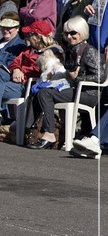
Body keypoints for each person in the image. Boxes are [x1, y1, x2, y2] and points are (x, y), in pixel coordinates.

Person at [25, 16, 105, 149]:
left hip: (88, 94)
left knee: (45, 93)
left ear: (82, 32)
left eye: (73, 33)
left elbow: (101, 77)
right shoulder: (69, 50)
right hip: (71, 89)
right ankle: (29, 130)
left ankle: (49, 133)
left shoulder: (89, 51)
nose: (69, 36)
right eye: (66, 33)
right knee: (39, 91)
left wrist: (77, 78)